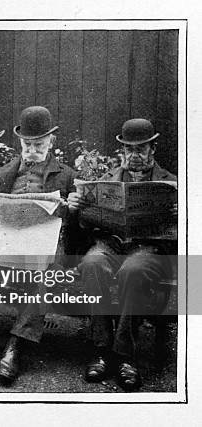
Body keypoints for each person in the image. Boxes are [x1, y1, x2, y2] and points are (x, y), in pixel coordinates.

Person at [0, 106, 78, 385]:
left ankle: (17, 345)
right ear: (20, 142)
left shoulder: (66, 176)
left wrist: (69, 211)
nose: (32, 150)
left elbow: (78, 227)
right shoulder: (3, 174)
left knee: (46, 267)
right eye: (27, 144)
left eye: (38, 144)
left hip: (46, 242)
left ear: (51, 142)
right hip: (7, 238)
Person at [67, 118, 177, 391]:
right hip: (111, 244)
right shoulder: (108, 181)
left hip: (148, 248)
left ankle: (125, 354)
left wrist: (183, 215)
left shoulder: (171, 184)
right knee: (92, 262)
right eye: (129, 150)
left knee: (133, 270)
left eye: (141, 149)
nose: (135, 156)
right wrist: (77, 209)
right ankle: (101, 349)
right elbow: (83, 228)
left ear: (153, 149)